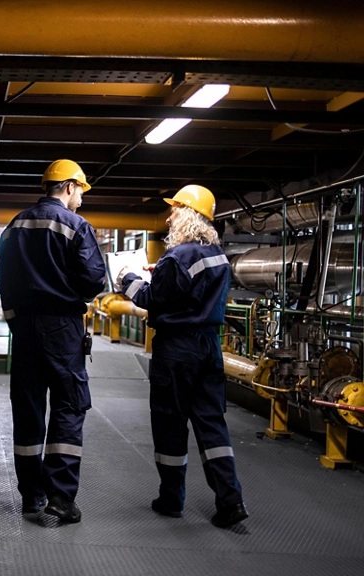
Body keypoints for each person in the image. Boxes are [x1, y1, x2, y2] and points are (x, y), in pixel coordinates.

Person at [118, 184, 248, 529]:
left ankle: (171, 499)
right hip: (209, 347)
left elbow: (150, 299)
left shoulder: (179, 256)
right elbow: (188, 289)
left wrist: (126, 278)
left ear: (190, 215)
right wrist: (160, 271)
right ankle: (231, 501)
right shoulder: (217, 255)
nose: (170, 216)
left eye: (175, 210)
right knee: (211, 423)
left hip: (177, 350)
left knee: (169, 422)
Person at [0, 159, 107, 523]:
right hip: (62, 328)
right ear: (70, 187)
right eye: (81, 192)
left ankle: (31, 496)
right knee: (69, 406)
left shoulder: (15, 225)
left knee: (27, 409)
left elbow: (5, 282)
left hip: (24, 328)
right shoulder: (76, 226)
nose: (81, 200)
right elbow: (93, 280)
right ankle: (61, 497)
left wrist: (15, 320)